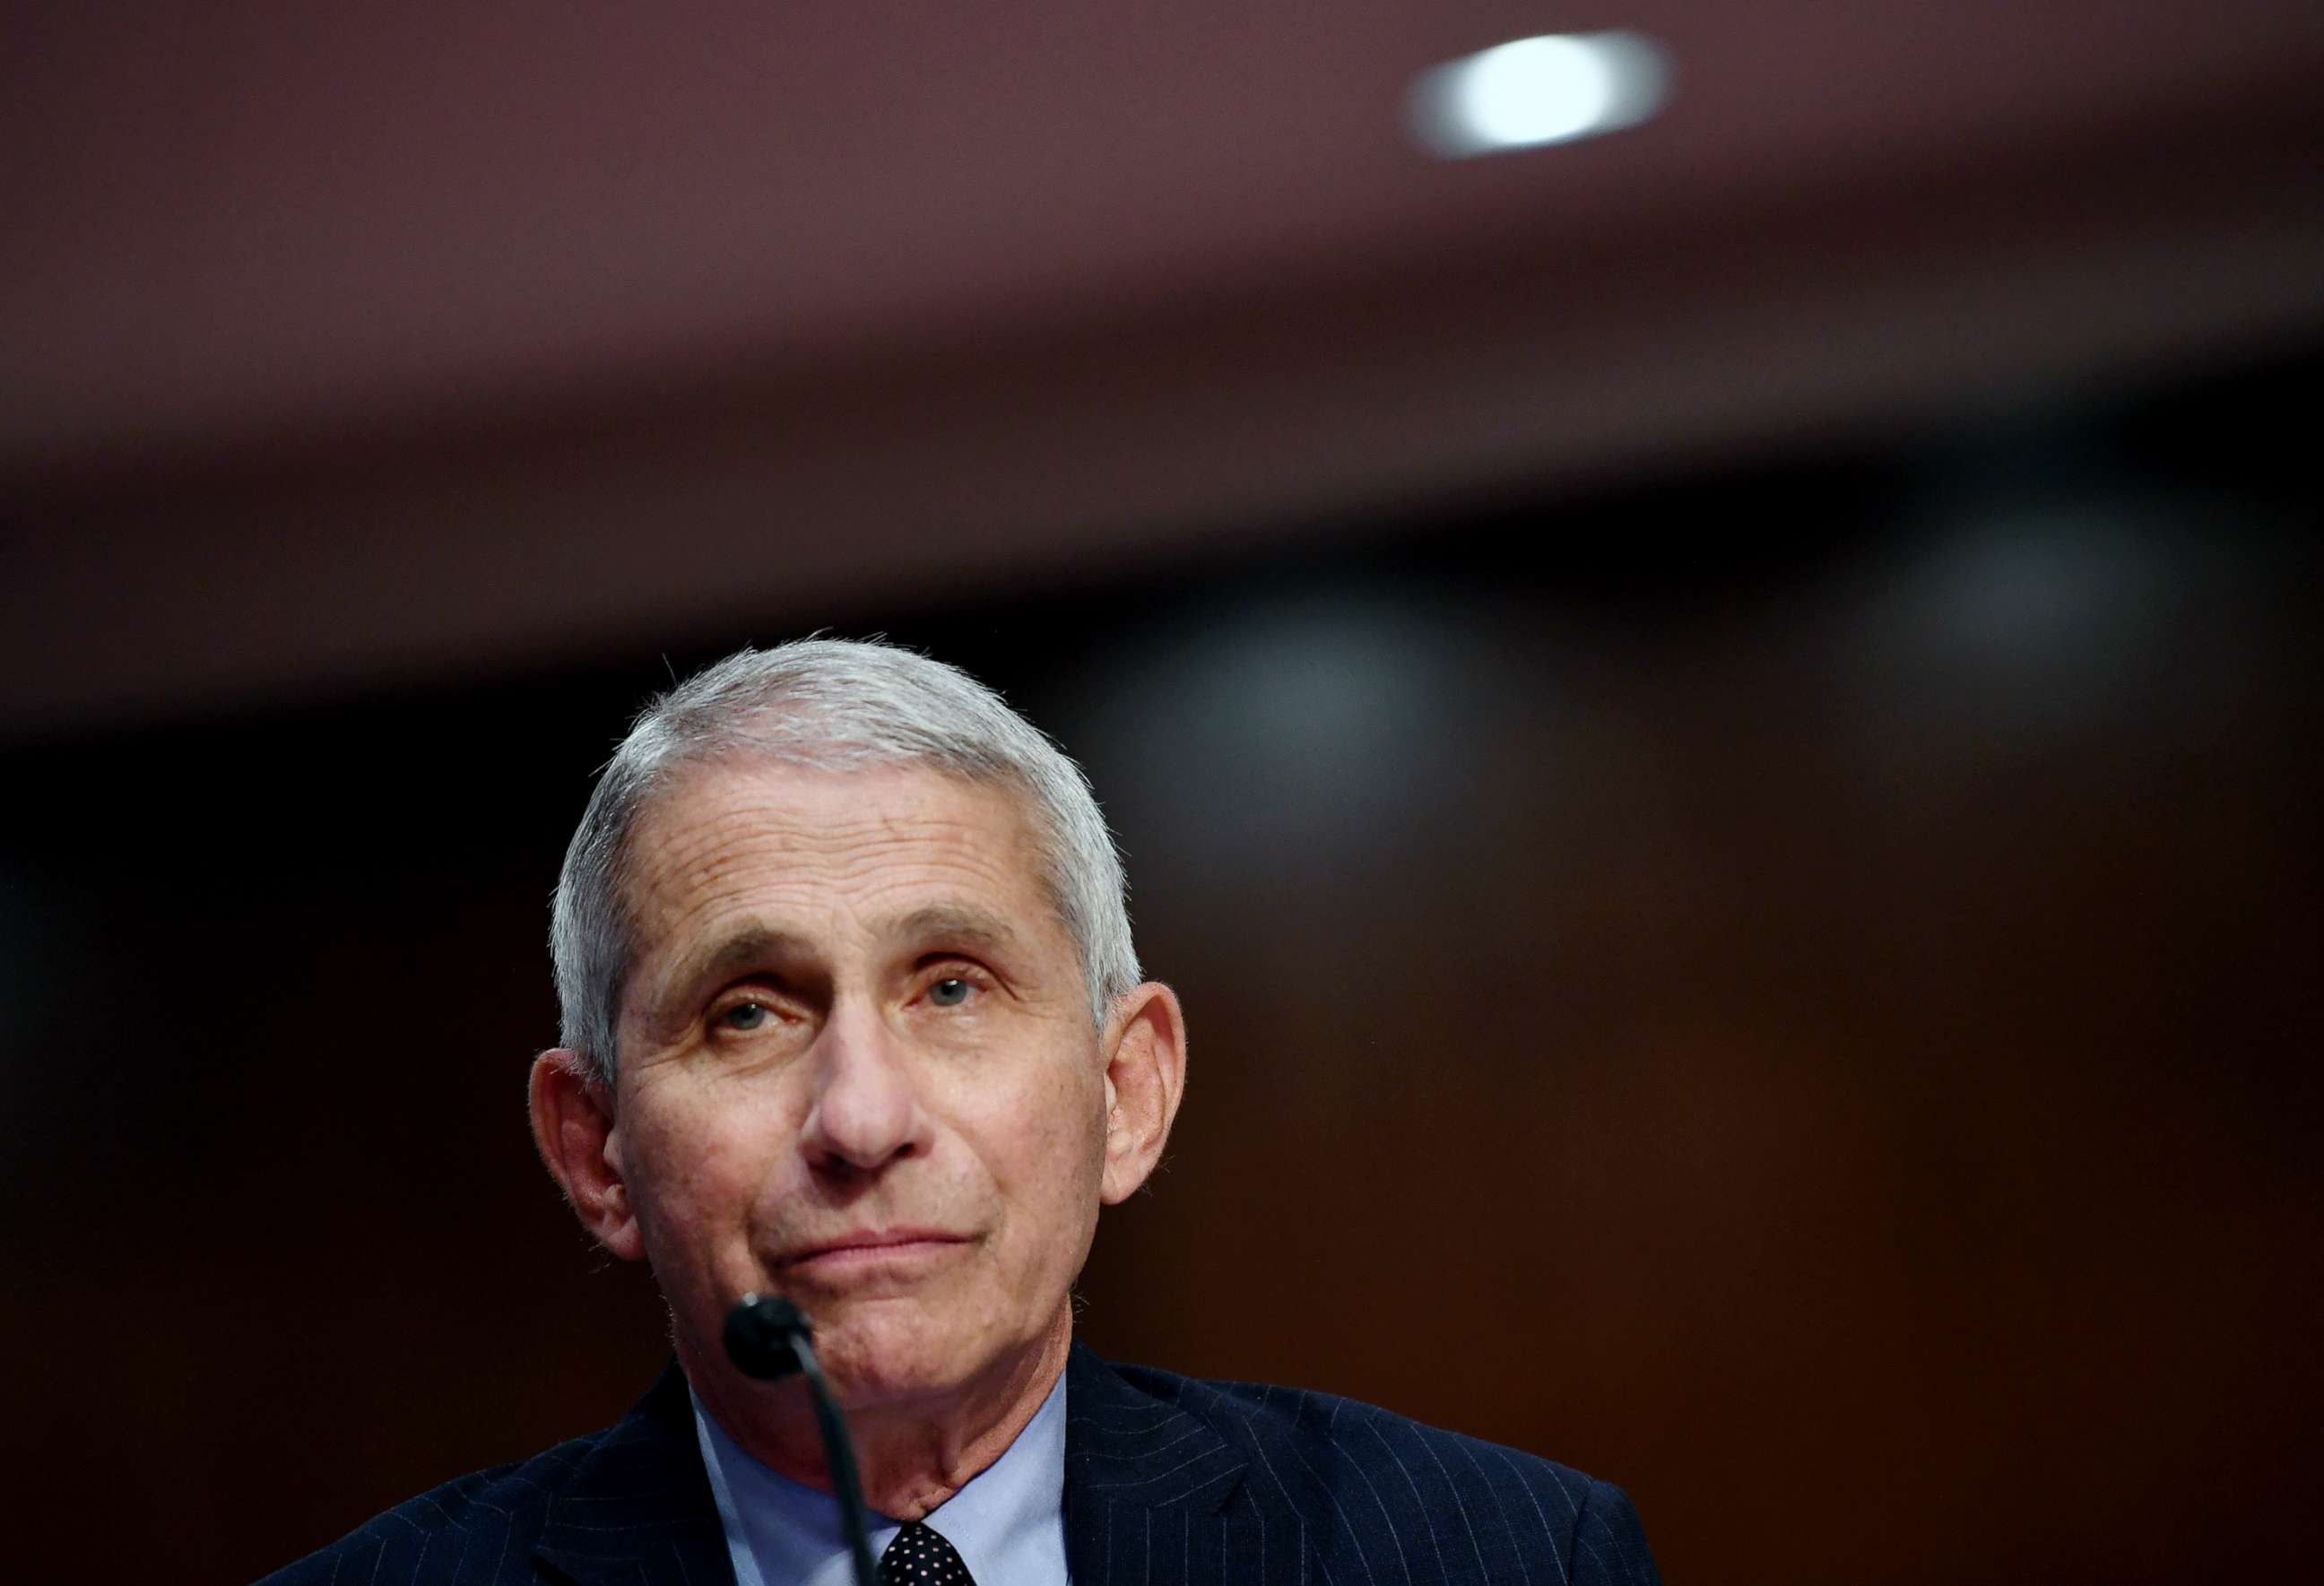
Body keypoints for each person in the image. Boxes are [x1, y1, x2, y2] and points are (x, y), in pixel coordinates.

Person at [264, 638, 1661, 1585]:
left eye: (951, 988)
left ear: (1127, 1092)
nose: (863, 1118)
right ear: (597, 1150)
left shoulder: (1497, 1553)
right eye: (750, 1010)